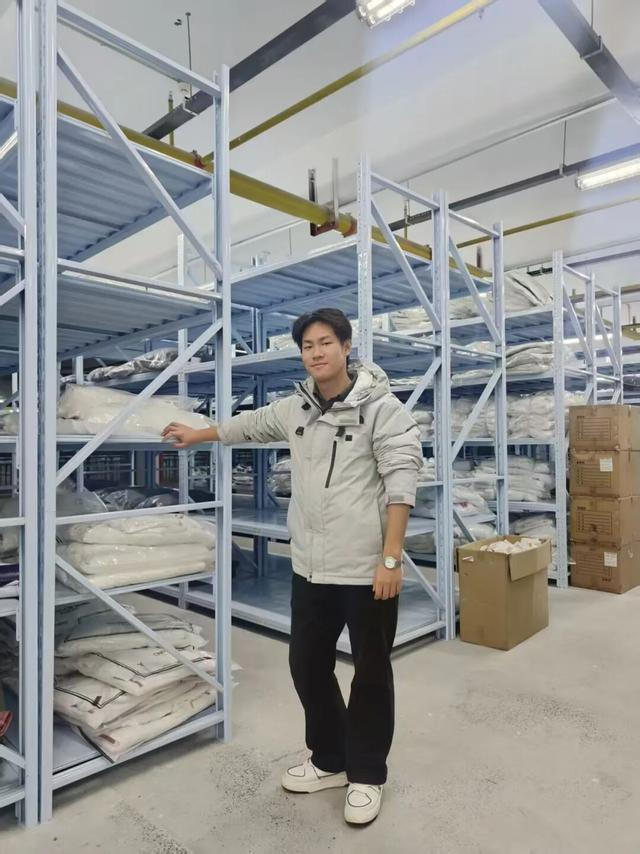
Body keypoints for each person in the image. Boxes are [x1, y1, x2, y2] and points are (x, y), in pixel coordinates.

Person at [162, 307, 423, 825]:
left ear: (346, 347)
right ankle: (330, 758)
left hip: (366, 569)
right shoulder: (296, 408)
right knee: (306, 665)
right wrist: (199, 434)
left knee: (370, 673)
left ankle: (366, 773)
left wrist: (391, 558)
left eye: (326, 343)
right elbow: (249, 425)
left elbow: (402, 482)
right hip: (310, 566)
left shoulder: (382, 409)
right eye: (307, 346)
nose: (316, 353)